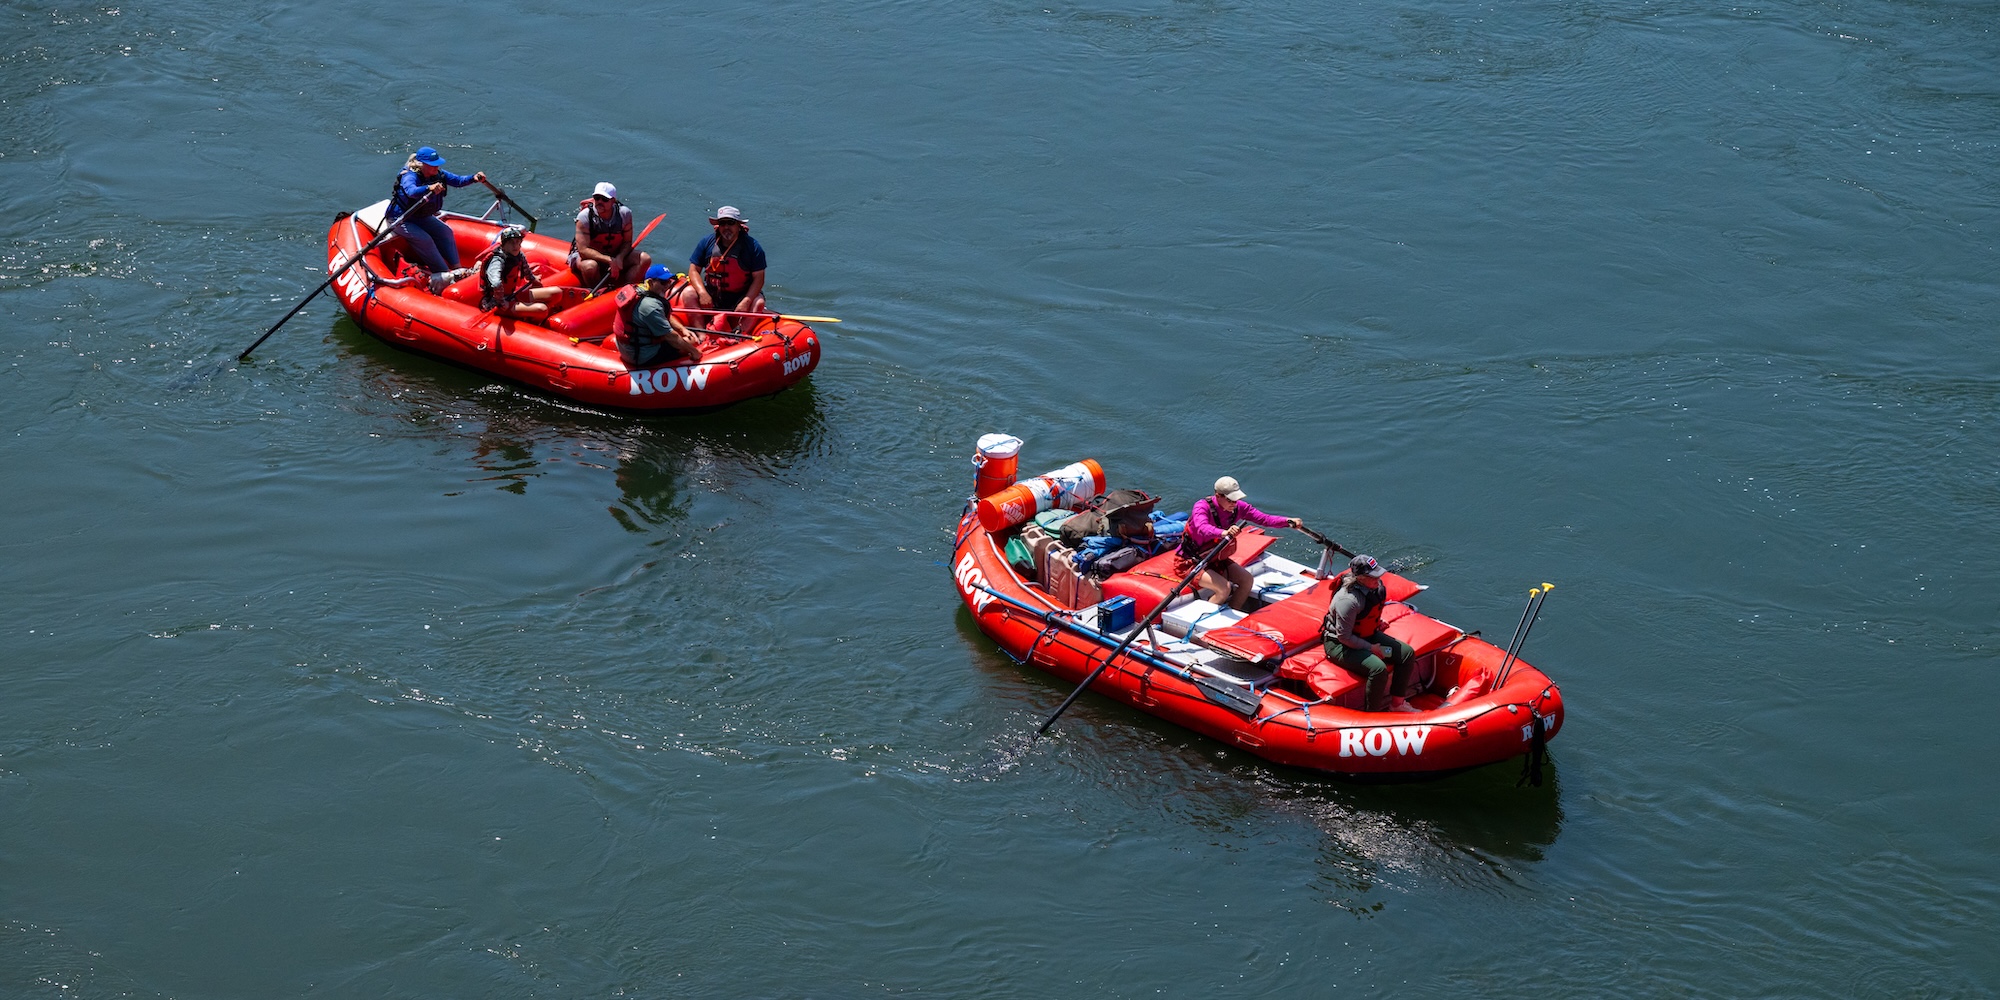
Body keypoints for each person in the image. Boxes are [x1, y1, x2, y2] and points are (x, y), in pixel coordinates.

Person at [1179, 476, 1302, 611]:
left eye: (1236, 499)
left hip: (1214, 559)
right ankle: (1203, 620)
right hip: (1190, 561)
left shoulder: (1238, 508)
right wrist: (1223, 533)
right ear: (1218, 496)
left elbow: (1264, 519)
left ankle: (1234, 611)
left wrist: (1287, 521)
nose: (1234, 503)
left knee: (1247, 580)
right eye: (1230, 500)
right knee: (1224, 589)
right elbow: (1202, 527)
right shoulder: (1202, 507)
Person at [1322, 554, 1417, 712]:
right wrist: (1371, 648)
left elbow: (1368, 613)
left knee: (1405, 654)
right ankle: (1371, 713)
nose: (1378, 579)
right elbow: (1344, 637)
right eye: (1373, 577)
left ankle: (1397, 704)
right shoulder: (1348, 601)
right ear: (1360, 578)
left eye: (1378, 574)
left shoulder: (1375, 588)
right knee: (1378, 668)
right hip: (1342, 647)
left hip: (1367, 637)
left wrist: (1376, 623)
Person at [386, 146, 487, 274]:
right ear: (421, 164)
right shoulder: (409, 176)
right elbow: (411, 191)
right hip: (401, 218)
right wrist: (429, 188)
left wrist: (473, 178)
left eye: (437, 165)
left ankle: (457, 269)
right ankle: (443, 272)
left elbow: (458, 181)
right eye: (432, 165)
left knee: (446, 232)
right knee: (425, 239)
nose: (436, 167)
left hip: (420, 216)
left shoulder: (439, 174)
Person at [672, 205, 766, 330]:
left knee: (758, 302)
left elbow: (759, 278)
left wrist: (746, 301)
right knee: (688, 293)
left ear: (739, 225)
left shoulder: (753, 247)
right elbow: (694, 270)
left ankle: (740, 337)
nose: (726, 227)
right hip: (713, 295)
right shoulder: (707, 242)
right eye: (722, 223)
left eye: (730, 223)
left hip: (740, 296)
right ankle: (701, 334)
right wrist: (702, 293)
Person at [611, 264, 705, 369]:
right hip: (642, 356)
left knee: (685, 337)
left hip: (632, 347)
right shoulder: (649, 306)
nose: (667, 286)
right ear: (651, 282)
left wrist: (682, 329)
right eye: (663, 282)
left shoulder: (641, 291)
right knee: (692, 341)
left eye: (669, 281)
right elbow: (671, 337)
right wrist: (695, 352)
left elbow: (663, 317)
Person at [569, 182, 651, 289]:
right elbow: (583, 251)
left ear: (613, 201)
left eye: (604, 199)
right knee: (590, 266)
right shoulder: (585, 217)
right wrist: (609, 260)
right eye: (597, 198)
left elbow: (627, 242)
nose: (599, 202)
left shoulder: (624, 214)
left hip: (614, 254)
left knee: (645, 259)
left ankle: (627, 290)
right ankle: (597, 292)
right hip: (587, 258)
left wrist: (619, 258)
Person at [479, 226, 565, 320]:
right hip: (496, 303)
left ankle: (533, 317)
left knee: (557, 292)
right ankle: (534, 317)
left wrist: (533, 280)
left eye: (517, 242)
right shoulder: (497, 261)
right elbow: (495, 283)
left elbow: (526, 270)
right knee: (542, 309)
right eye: (511, 243)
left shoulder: (518, 255)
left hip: (513, 295)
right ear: (503, 245)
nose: (515, 246)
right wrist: (502, 302)